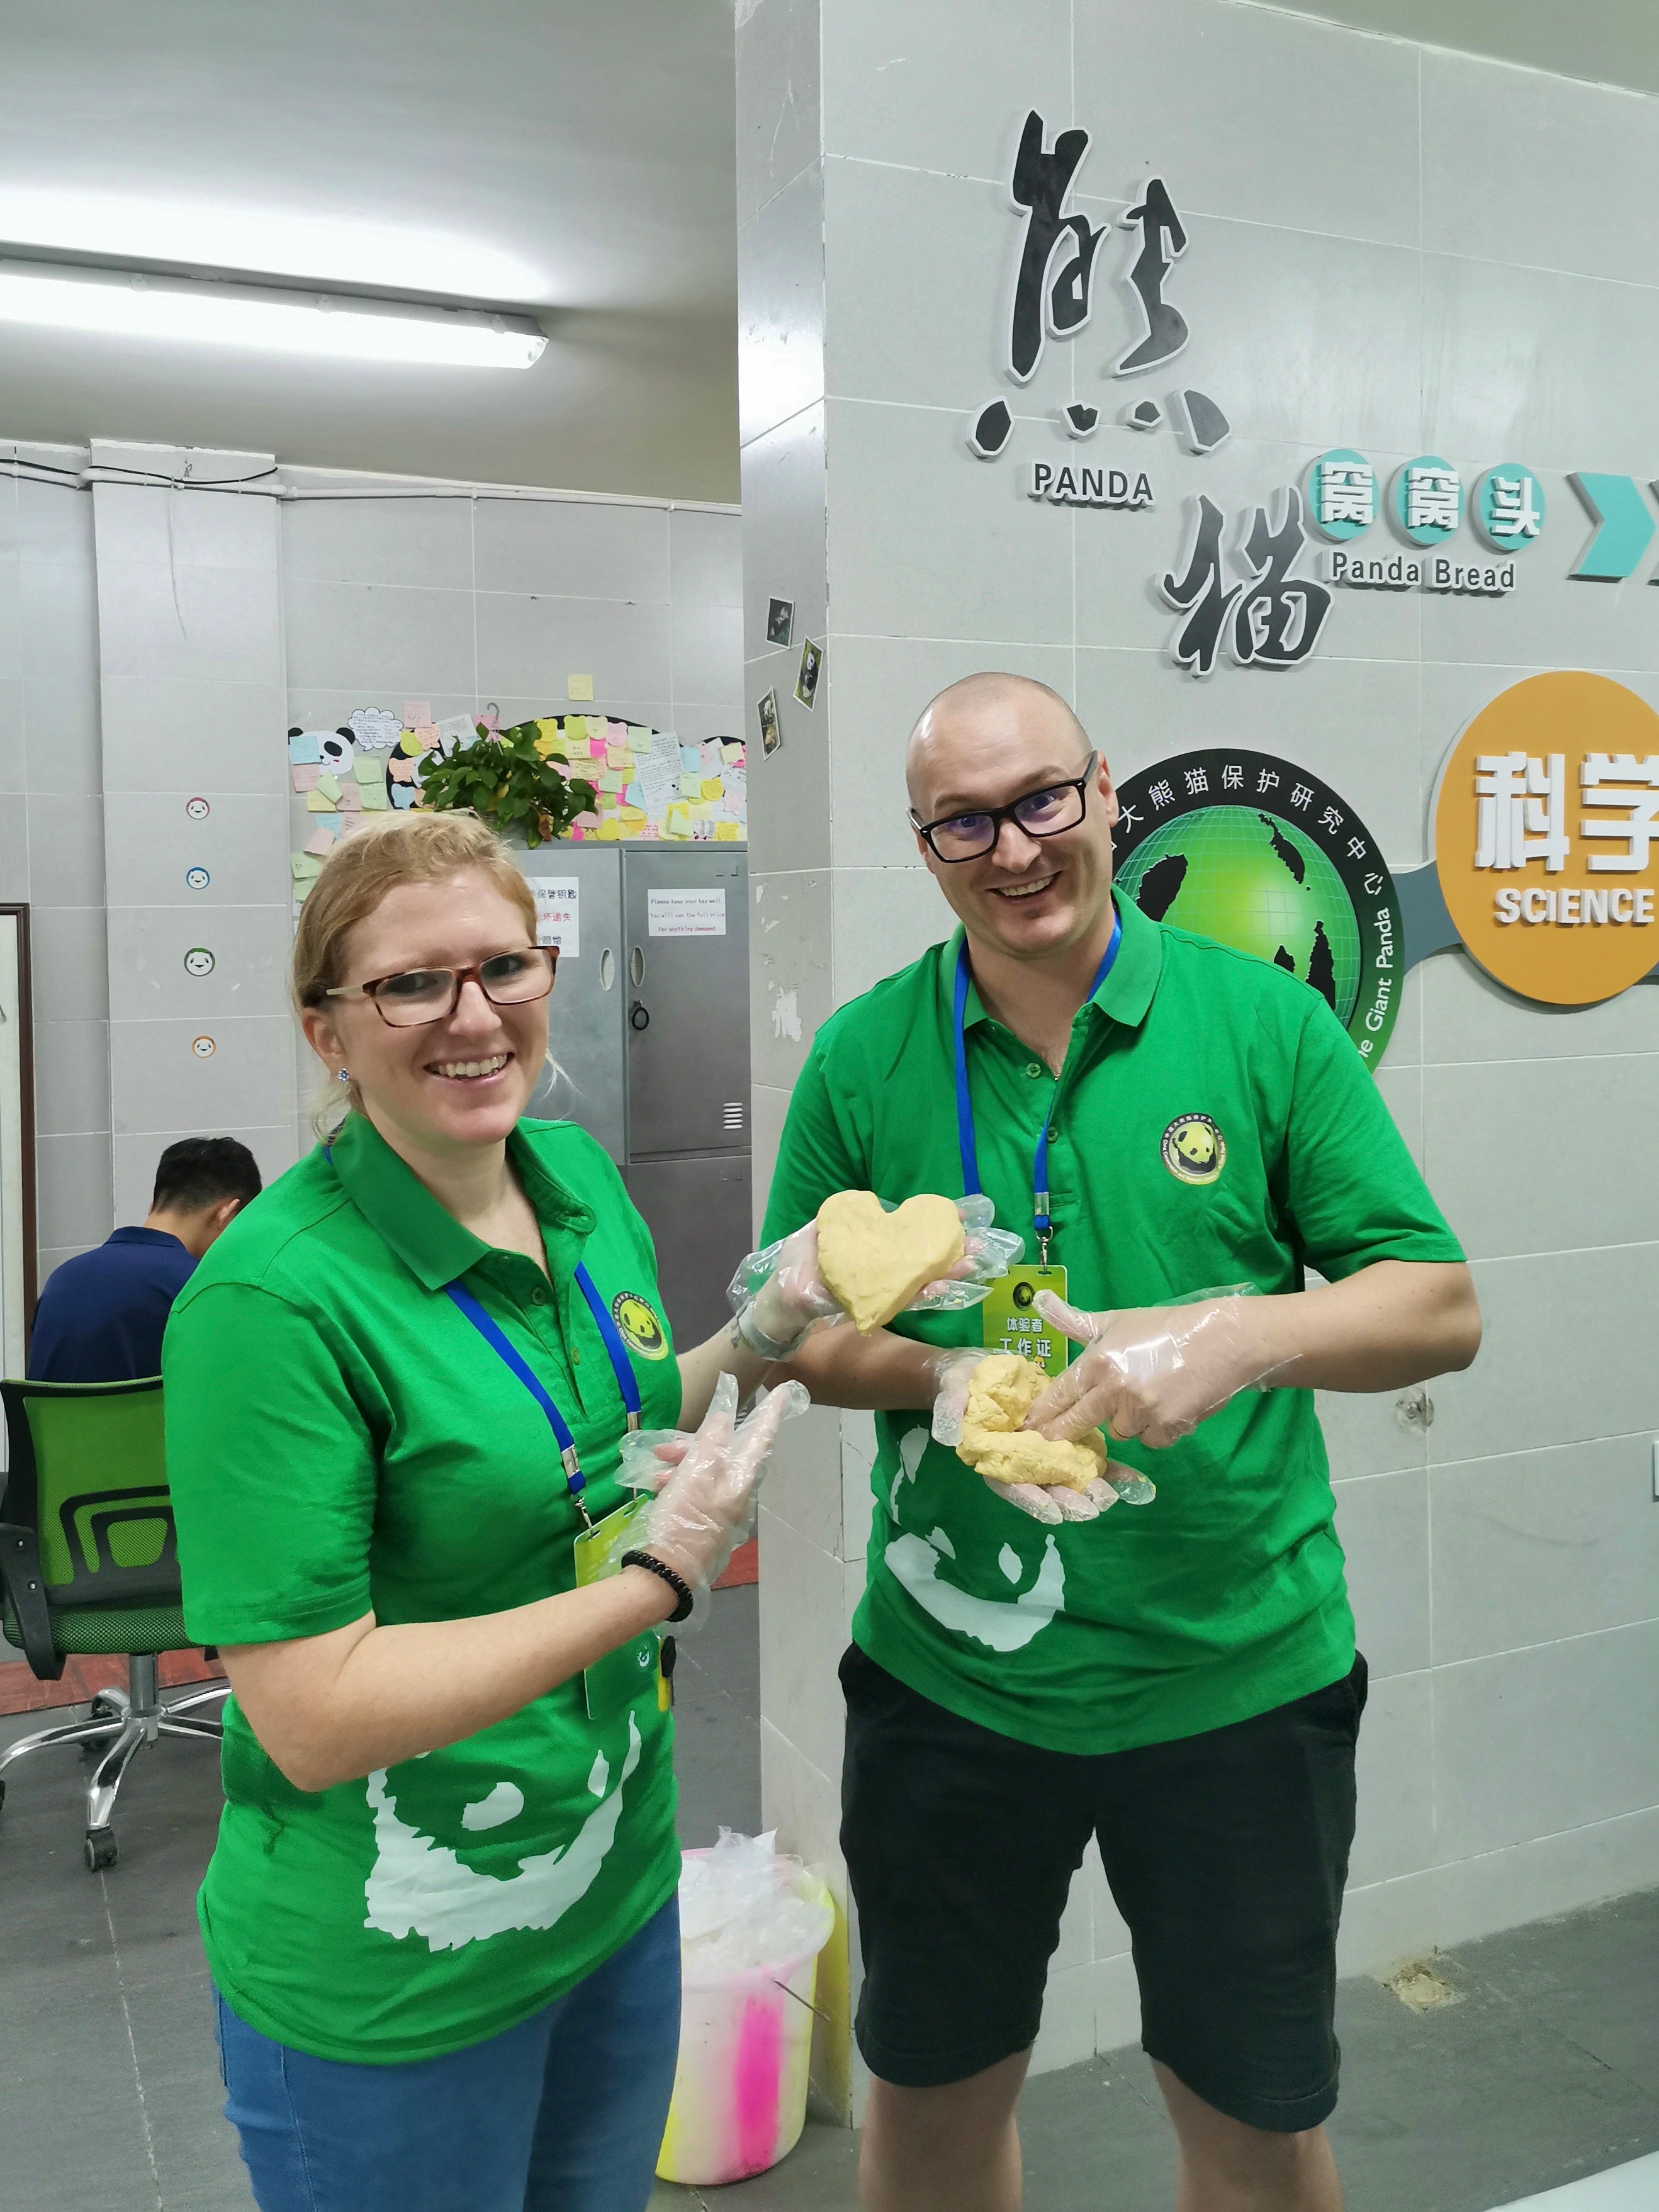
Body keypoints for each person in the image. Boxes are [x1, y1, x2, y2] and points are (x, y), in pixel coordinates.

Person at [758, 673, 1482, 2212]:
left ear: (1102, 792)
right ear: (923, 842)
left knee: (1252, 2118)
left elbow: (1436, 1305)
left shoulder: (1263, 1024)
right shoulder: (864, 1054)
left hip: (1236, 1680)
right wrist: (933, 1376)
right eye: (962, 821)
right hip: (947, 1677)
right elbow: (794, 1328)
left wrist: (1235, 1334)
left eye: (1037, 801)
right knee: (931, 2101)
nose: (1010, 848)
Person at [162, 812, 846, 2212]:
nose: (472, 1016)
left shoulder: (579, 1179)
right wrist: (654, 1579)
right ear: (327, 1033)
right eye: (412, 983)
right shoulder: (274, 1297)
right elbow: (310, 1709)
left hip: (609, 1890)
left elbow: (619, 1429)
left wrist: (764, 1331)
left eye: (505, 967)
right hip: (396, 1963)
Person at [28, 1137, 262, 1382]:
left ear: (154, 1206)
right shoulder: (199, 1286)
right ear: (228, 1214)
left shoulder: (62, 1278)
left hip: (51, 1423)